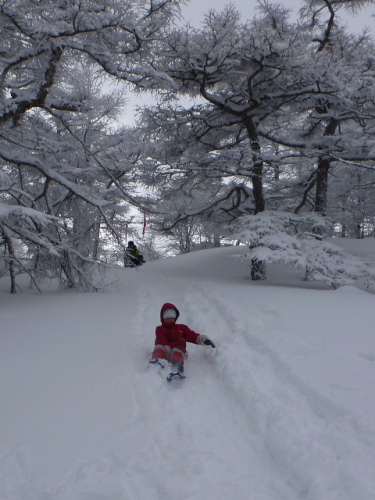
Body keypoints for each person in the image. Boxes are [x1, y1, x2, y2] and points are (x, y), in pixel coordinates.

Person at [150, 302, 215, 374]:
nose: (170, 319)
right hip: (165, 350)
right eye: (167, 317)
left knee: (176, 353)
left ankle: (177, 369)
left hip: (179, 351)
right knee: (159, 348)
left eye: (172, 317)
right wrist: (166, 349)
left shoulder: (182, 328)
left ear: (175, 317)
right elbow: (161, 339)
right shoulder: (160, 329)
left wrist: (202, 339)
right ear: (162, 317)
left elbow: (192, 335)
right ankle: (156, 362)